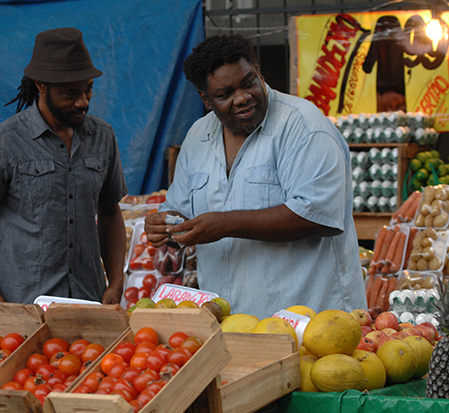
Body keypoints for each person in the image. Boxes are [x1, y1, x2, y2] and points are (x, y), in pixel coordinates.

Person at [145, 34, 367, 319]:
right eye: (225, 94)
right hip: (231, 322)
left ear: (259, 73)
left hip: (309, 323)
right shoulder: (198, 137)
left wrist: (225, 224)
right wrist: (165, 226)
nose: (242, 98)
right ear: (206, 98)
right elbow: (180, 213)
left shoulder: (303, 126)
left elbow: (317, 215)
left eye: (249, 82)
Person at [0, 28, 127, 305]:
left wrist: (116, 282)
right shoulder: (4, 142)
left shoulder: (103, 137)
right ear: (41, 86)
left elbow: (110, 212)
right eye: (70, 94)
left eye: (88, 89)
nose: (83, 101)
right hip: (24, 309)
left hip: (89, 301)